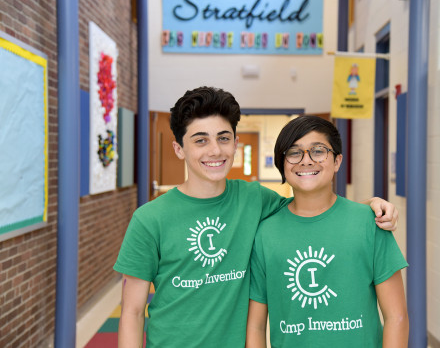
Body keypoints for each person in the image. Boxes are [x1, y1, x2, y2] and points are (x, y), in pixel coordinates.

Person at [113, 86, 400, 347]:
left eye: (223, 138)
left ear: (235, 143)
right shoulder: (149, 219)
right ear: (179, 148)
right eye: (200, 140)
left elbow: (314, 204)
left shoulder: (254, 199)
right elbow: (133, 312)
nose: (215, 150)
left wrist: (368, 208)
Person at [246, 115, 409, 347]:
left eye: (318, 151)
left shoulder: (370, 223)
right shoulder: (265, 233)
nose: (306, 160)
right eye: (294, 153)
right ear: (282, 163)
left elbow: (397, 317)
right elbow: (255, 325)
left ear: (337, 161)